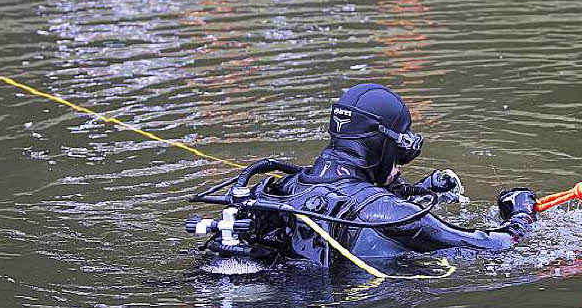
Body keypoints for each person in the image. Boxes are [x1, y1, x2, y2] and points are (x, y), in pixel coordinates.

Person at [188, 83, 537, 272]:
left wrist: (419, 190)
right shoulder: (389, 213)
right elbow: (494, 247)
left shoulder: (279, 188)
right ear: (386, 147)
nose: (400, 165)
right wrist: (520, 211)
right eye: (401, 154)